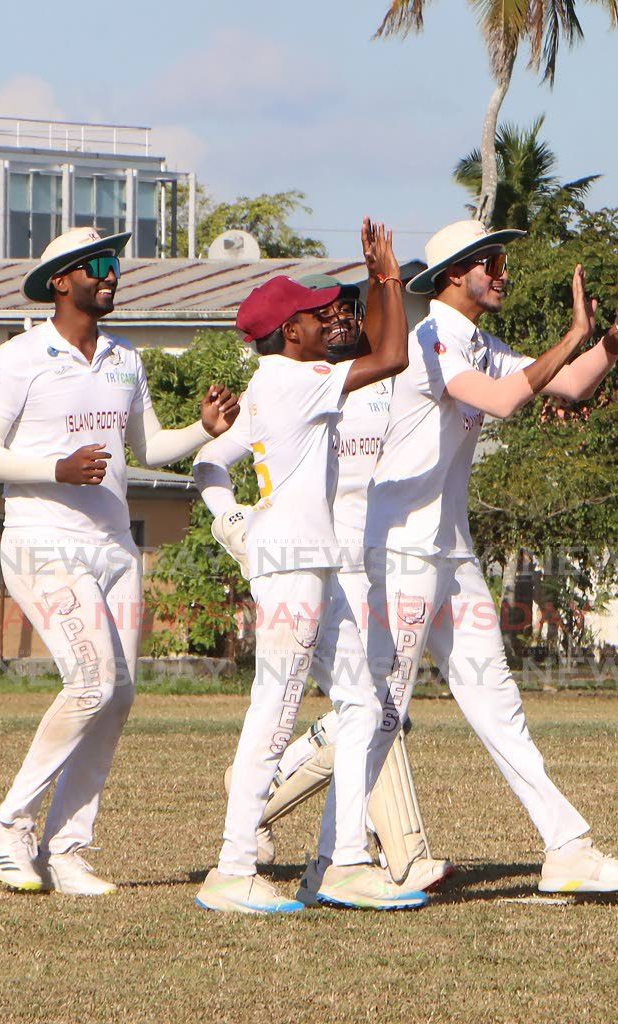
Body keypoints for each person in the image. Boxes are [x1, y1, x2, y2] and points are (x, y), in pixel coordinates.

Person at [361, 219, 618, 896]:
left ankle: (567, 850)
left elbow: (568, 386)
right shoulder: (431, 338)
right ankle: (336, 857)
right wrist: (574, 334)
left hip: (448, 551)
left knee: (497, 704)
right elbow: (504, 399)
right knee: (380, 707)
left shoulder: (476, 342)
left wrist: (614, 334)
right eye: (492, 262)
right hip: (401, 548)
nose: (503, 272)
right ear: (456, 274)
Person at [0, 226, 238, 895]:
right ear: (61, 280)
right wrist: (55, 468)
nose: (111, 273)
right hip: (43, 539)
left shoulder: (124, 356)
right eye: (97, 265)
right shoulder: (21, 357)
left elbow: (148, 448)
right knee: (91, 681)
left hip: (114, 545)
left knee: (115, 696)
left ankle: (66, 851)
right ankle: (9, 824)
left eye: (114, 264)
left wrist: (203, 428)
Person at [194, 220, 426, 914]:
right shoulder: (293, 379)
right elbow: (392, 356)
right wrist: (385, 278)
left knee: (361, 703)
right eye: (312, 315)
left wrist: (231, 520)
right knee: (276, 707)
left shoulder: (279, 380)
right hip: (295, 567)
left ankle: (346, 863)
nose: (327, 320)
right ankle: (233, 869)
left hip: (308, 563)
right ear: (287, 332)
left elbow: (210, 460)